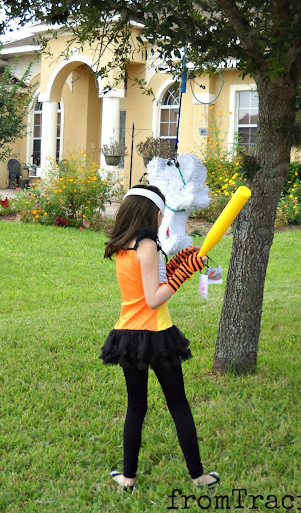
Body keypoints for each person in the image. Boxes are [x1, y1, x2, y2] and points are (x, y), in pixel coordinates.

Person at [100, 184, 220, 491]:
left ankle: (128, 478)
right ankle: (198, 476)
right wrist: (186, 273)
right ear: (151, 212)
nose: (162, 216)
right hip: (156, 333)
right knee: (178, 405)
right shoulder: (148, 245)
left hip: (127, 333)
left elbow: (149, 280)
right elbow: (154, 298)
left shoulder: (123, 243)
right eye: (161, 211)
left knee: (136, 407)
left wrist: (182, 262)